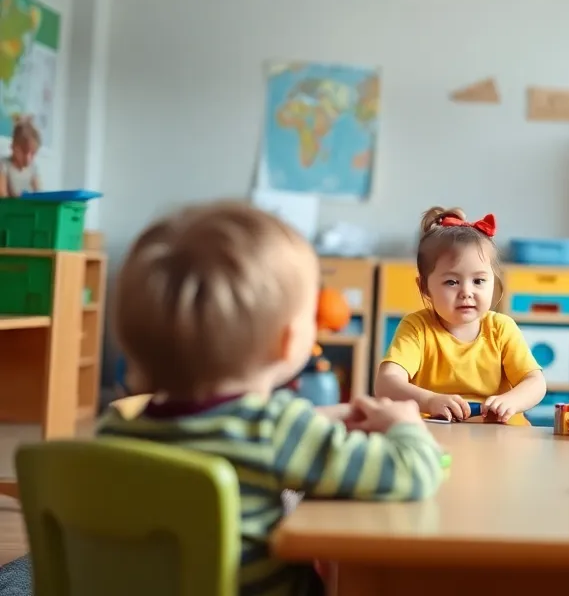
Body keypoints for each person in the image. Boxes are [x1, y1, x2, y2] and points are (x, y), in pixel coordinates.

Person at [97, 202, 447, 596]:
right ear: (287, 342)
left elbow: (221, 424)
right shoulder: (274, 431)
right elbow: (410, 473)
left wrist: (322, 417)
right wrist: (406, 425)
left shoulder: (112, 432)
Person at [375, 207, 547, 424]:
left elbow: (536, 382)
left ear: (493, 281)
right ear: (425, 288)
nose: (467, 292)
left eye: (478, 281)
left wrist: (511, 401)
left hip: (499, 435)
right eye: (452, 282)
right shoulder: (417, 327)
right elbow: (386, 383)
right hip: (437, 433)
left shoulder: (502, 328)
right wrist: (429, 400)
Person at [0, 116, 41, 197]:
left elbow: (40, 194)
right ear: (13, 147)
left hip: (29, 208)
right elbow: (2, 195)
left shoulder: (33, 168)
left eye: (32, 154)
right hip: (11, 208)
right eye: (24, 152)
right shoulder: (4, 165)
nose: (28, 159)